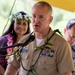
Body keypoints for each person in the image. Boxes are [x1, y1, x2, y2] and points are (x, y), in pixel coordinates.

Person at [4, 1, 75, 75]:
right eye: (34, 16)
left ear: (50, 20)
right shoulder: (24, 40)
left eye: (41, 17)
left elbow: (66, 73)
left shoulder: (61, 45)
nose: (36, 20)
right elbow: (12, 67)